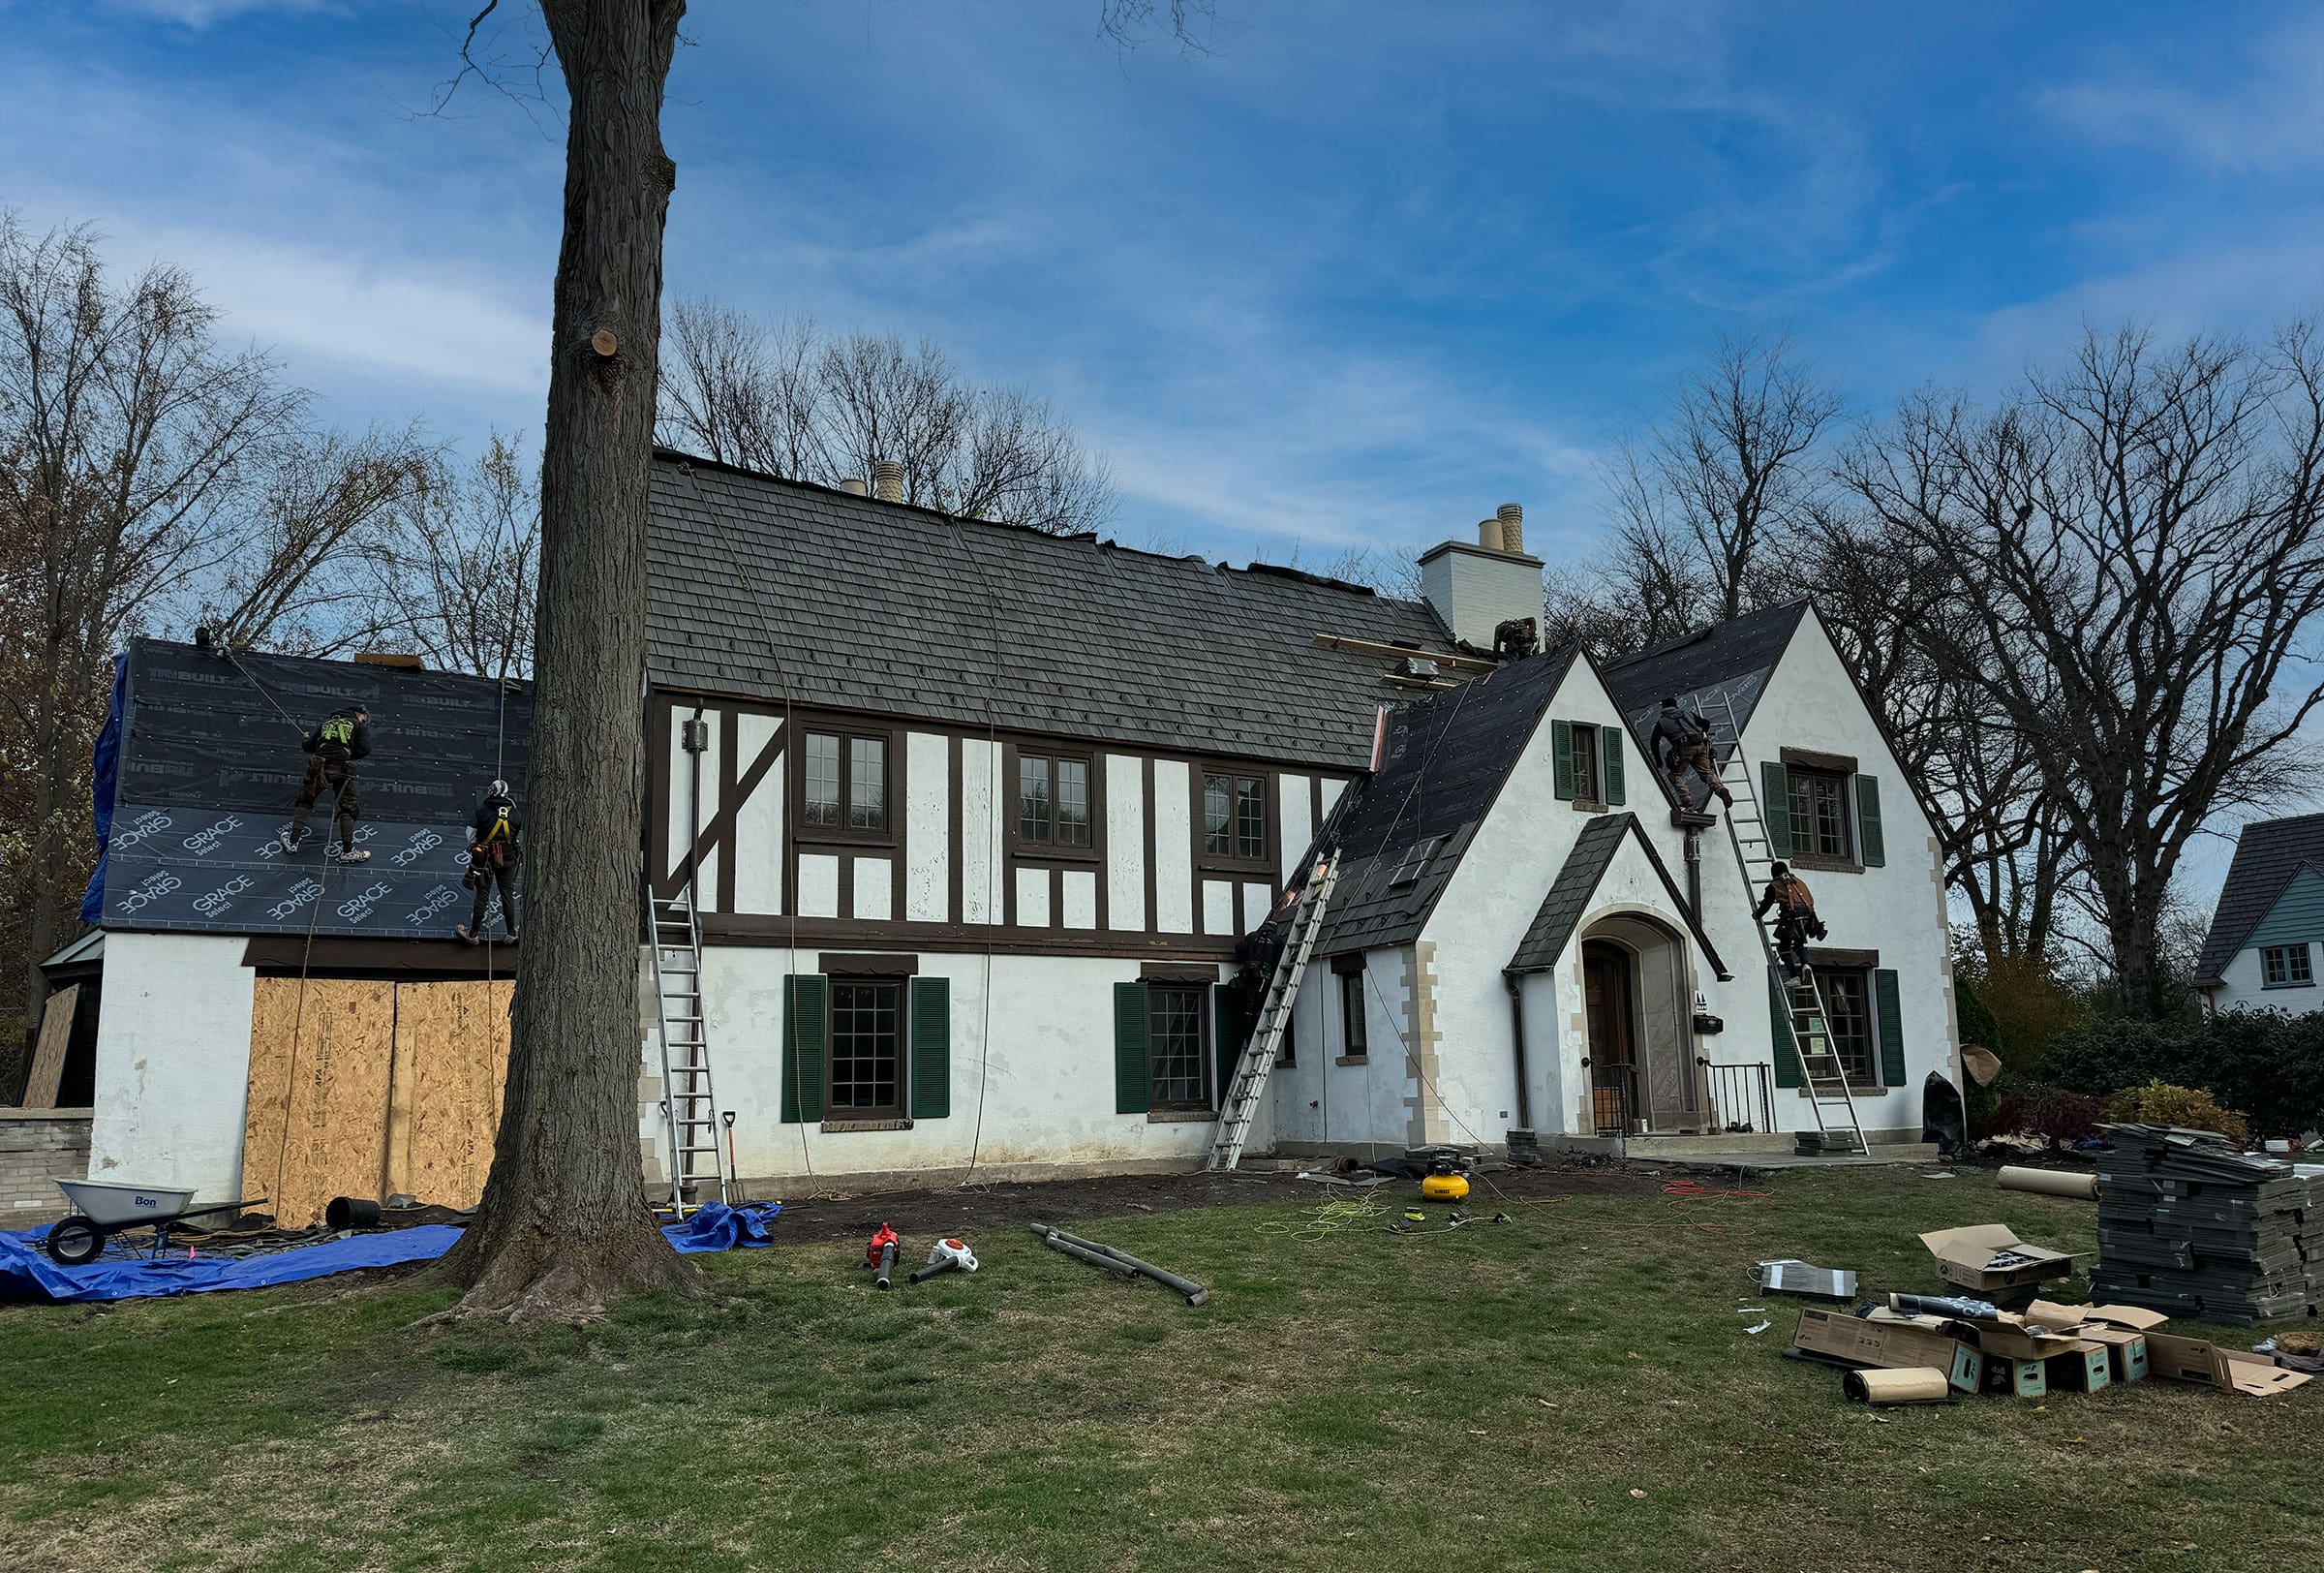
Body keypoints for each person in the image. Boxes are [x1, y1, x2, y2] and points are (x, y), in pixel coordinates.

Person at [283, 704, 372, 860]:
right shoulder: (358, 725)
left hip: (319, 765)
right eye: (364, 719)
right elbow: (365, 749)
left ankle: (292, 842)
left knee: (306, 800)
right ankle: (348, 852)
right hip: (342, 767)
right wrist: (347, 754)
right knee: (348, 807)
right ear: (359, 714)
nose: (364, 722)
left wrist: (306, 738)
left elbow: (308, 746)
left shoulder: (326, 723)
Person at [456, 779, 522, 944]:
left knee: (482, 895)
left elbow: (470, 837)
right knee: (507, 893)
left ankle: (473, 934)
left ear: (490, 791)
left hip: (484, 860)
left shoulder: (480, 812)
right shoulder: (516, 813)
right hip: (508, 858)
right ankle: (511, 933)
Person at [1651, 695, 1731, 811]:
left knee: (1675, 775)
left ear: (1663, 708)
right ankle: (1720, 789)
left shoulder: (1662, 722)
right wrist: (1703, 733)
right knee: (1706, 773)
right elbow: (1706, 723)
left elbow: (1654, 742)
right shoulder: (1687, 713)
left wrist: (1658, 761)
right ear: (1675, 705)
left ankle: (1686, 800)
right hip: (1700, 745)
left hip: (1684, 748)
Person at [1753, 861, 1826, 981]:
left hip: (1791, 919)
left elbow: (1766, 905)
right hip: (1808, 918)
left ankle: (1794, 977)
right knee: (1798, 944)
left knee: (1784, 947)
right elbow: (1810, 900)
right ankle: (1805, 965)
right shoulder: (1799, 882)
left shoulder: (1774, 885)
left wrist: (1757, 915)